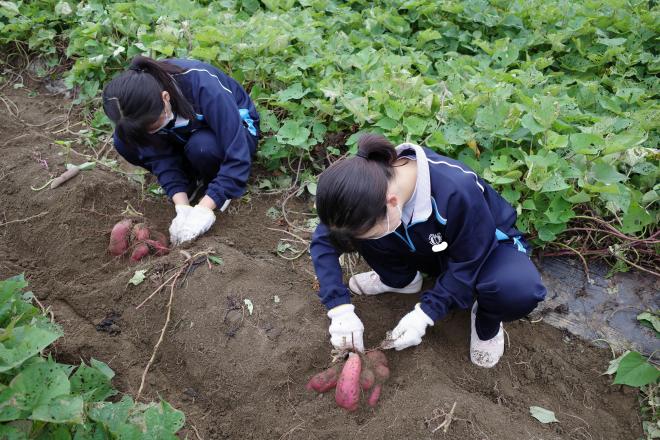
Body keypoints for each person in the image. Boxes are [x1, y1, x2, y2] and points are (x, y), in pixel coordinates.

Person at [310, 134, 546, 368]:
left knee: (518, 290)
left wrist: (425, 314)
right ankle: (401, 280)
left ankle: (486, 318)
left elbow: (469, 260)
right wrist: (339, 309)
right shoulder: (364, 191)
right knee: (358, 231)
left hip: (485, 249)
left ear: (391, 202)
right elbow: (325, 239)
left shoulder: (455, 189)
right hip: (429, 246)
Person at [102, 56, 260, 245]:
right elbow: (158, 156)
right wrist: (181, 204)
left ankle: (218, 184)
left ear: (165, 98)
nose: (151, 133)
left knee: (202, 147)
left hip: (236, 133)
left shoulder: (201, 85)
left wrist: (205, 207)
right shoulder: (138, 111)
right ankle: (189, 182)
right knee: (124, 141)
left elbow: (237, 152)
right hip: (182, 134)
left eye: (152, 125)